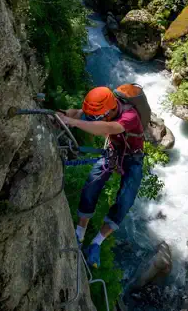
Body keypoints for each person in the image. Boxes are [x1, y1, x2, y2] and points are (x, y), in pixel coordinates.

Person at [58, 86, 144, 269]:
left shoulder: (130, 116)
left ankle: (96, 242)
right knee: (91, 185)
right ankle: (80, 232)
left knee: (125, 201)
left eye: (97, 116)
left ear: (110, 110)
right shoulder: (104, 109)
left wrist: (73, 123)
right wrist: (63, 114)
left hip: (133, 159)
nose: (95, 119)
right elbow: (80, 113)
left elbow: (107, 127)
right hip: (113, 152)